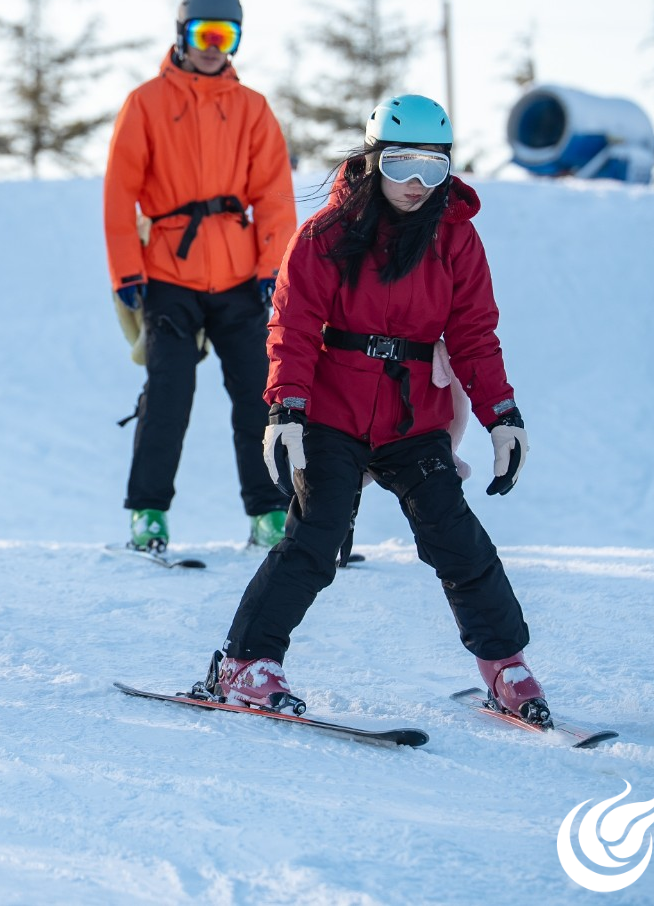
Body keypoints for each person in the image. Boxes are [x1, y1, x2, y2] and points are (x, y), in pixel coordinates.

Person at [209, 95, 546, 724]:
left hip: (412, 419)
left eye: (432, 168)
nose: (417, 184)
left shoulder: (455, 237)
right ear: (372, 162)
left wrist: (503, 416)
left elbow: (474, 335)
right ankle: (245, 662)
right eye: (400, 166)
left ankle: (506, 666)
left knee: (455, 537)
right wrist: (286, 410)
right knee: (317, 535)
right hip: (332, 413)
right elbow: (292, 328)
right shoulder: (326, 235)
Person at [103, 0, 297, 557]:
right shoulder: (145, 103)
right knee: (169, 392)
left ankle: (269, 513)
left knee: (258, 395)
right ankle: (148, 513)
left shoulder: (252, 108)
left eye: (225, 35)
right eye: (203, 34)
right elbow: (119, 193)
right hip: (168, 273)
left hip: (240, 276)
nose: (214, 46)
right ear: (182, 35)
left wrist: (272, 268)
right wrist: (126, 271)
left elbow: (274, 195)